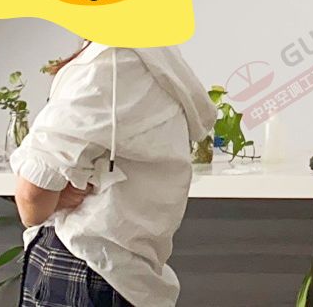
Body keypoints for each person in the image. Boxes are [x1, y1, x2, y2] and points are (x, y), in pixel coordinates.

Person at [11, 40, 217, 307]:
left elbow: (31, 199)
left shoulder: (111, 62)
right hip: (123, 273)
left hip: (82, 265)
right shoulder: (158, 60)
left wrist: (55, 197)